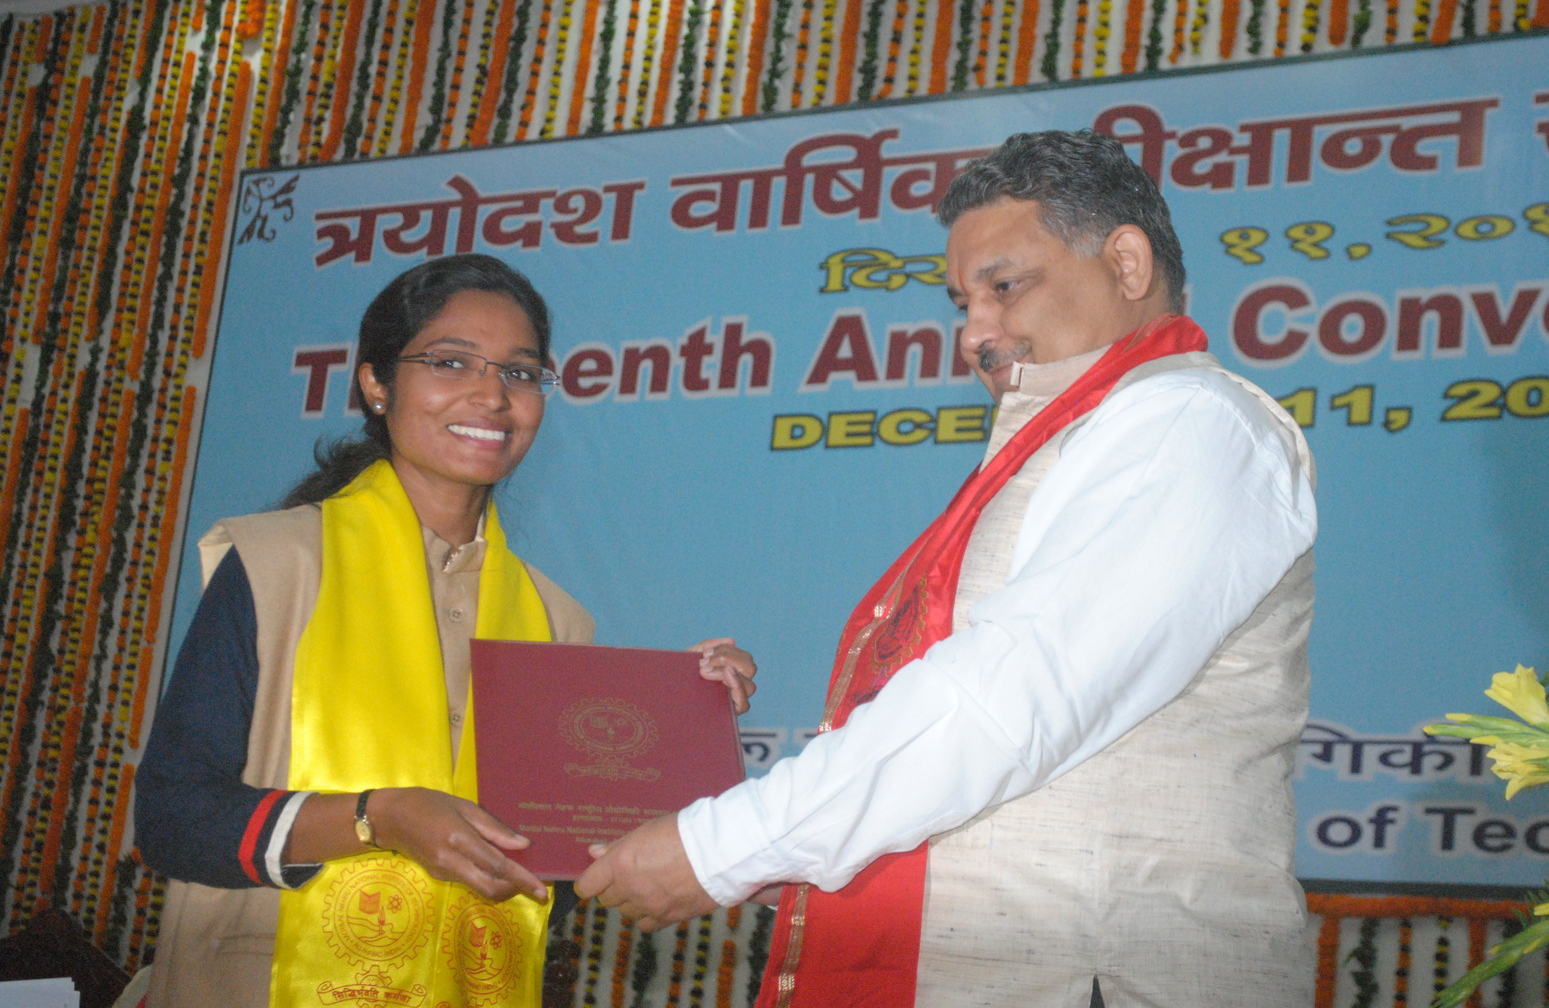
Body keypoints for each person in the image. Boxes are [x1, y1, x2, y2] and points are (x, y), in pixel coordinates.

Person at [576, 130, 1318, 1007]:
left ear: (1125, 263)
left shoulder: (1190, 422)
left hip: (1106, 976)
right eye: (962, 302)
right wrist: (764, 828)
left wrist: (722, 845)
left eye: (1005, 287)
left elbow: (1010, 697)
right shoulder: (1067, 441)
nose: (974, 334)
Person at [135, 254, 755, 1008]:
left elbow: (556, 871)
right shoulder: (277, 564)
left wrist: (675, 720)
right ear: (376, 384)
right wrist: (377, 819)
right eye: (450, 362)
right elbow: (173, 819)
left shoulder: (556, 620)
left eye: (520, 373)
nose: (492, 395)